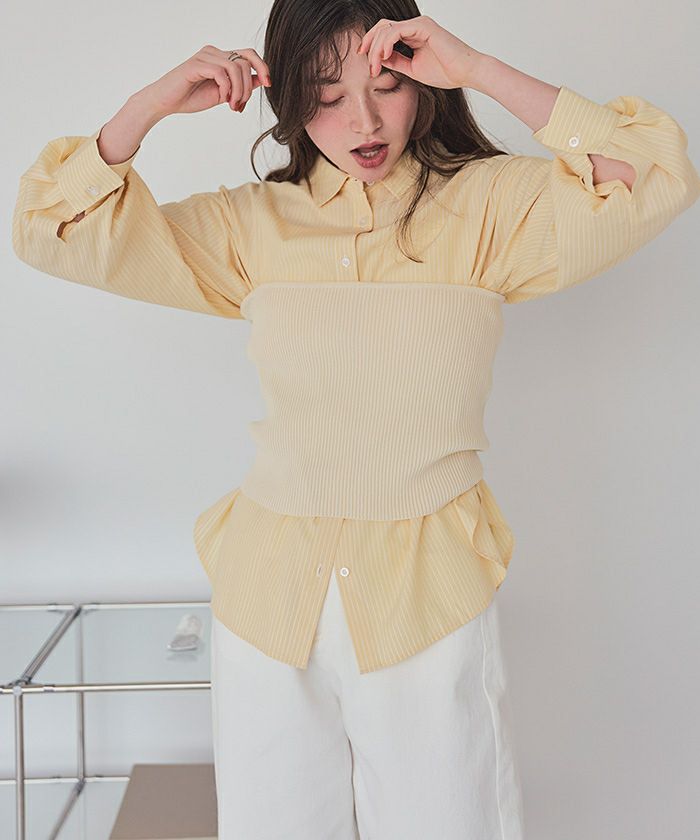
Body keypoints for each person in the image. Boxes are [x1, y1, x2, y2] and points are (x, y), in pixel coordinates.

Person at [12, 1, 700, 838]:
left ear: (422, 80)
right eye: (327, 95)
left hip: (425, 600)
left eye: (387, 85)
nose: (364, 123)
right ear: (288, 100)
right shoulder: (248, 228)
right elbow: (50, 228)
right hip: (269, 600)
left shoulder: (488, 210)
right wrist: (148, 106)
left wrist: (478, 68)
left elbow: (654, 173)